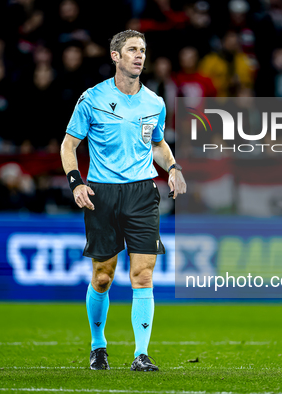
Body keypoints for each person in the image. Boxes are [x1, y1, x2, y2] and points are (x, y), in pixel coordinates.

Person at [60, 30, 187, 372]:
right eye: (132, 49)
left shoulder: (154, 103)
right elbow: (69, 145)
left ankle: (140, 354)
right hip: (103, 193)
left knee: (142, 274)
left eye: (142, 50)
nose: (139, 55)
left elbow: (158, 144)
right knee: (103, 276)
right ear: (115, 56)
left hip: (142, 193)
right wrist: (76, 183)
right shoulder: (92, 99)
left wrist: (173, 167)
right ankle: (98, 346)